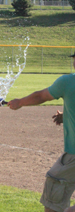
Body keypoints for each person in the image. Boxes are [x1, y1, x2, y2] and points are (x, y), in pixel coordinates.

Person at [8, 52, 75, 212]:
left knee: (54, 194)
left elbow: (41, 96)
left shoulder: (68, 82)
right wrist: (66, 116)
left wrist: (20, 102)